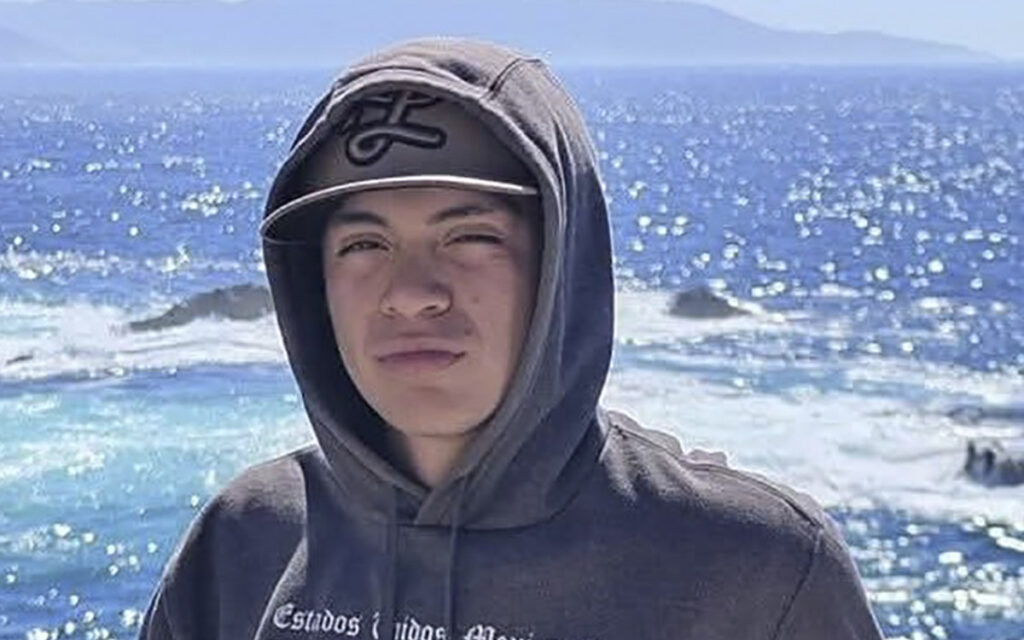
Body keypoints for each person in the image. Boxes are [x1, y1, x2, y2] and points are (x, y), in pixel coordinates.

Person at [140, 38, 884, 640]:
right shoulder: (244, 542)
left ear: (561, 264)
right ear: (313, 284)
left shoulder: (757, 568)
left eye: (470, 237)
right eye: (364, 245)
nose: (411, 293)